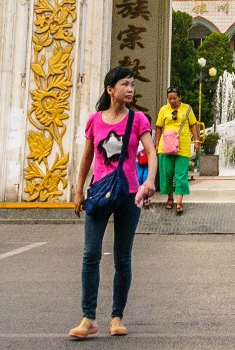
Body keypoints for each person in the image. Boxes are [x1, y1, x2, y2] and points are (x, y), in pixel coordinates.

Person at [70, 67, 156, 340]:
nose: (130, 89)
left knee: (122, 258)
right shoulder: (95, 121)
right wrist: (78, 190)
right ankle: (88, 318)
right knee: (90, 255)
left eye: (132, 85)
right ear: (110, 89)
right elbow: (86, 159)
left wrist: (149, 181)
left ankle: (117, 316)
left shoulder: (139, 119)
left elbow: (151, 152)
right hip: (98, 193)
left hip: (129, 194)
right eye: (125, 84)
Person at [152, 87, 199, 215]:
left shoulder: (187, 108)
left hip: (182, 146)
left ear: (180, 97)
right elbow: (159, 126)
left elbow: (193, 125)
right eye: (170, 98)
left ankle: (179, 202)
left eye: (175, 98)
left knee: (180, 174)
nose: (172, 101)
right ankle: (170, 198)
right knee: (167, 173)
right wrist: (156, 144)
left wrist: (197, 140)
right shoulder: (163, 110)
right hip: (165, 146)